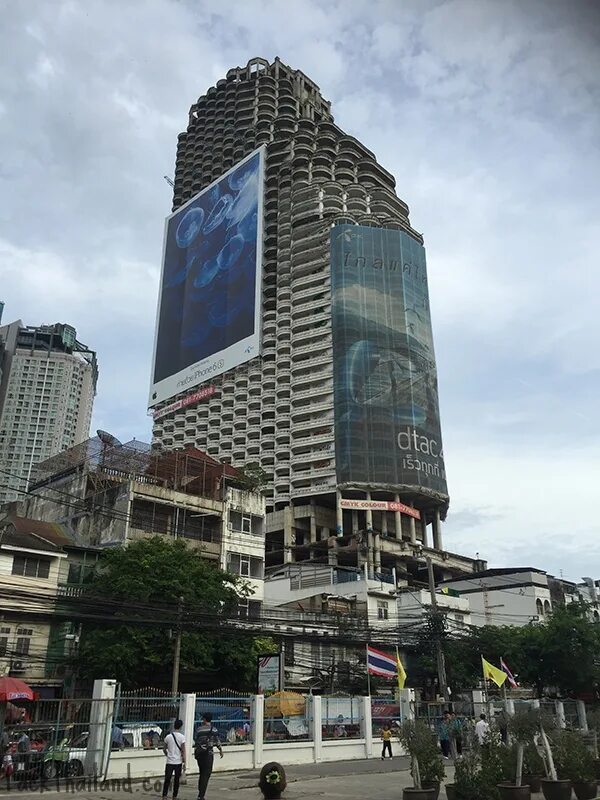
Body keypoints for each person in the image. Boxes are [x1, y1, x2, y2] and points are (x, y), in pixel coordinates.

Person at [194, 713, 223, 800]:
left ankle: (200, 792)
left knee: (201, 773)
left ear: (204, 719)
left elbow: (196, 741)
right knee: (206, 775)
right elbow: (217, 741)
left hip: (199, 754)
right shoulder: (214, 730)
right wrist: (220, 750)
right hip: (208, 754)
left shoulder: (199, 730)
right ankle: (201, 795)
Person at [162, 719, 186, 800]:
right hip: (178, 762)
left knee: (167, 779)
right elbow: (183, 750)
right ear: (181, 727)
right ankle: (174, 796)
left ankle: (164, 795)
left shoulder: (168, 737)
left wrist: (168, 755)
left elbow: (164, 749)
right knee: (176, 780)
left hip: (169, 761)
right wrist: (184, 762)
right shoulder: (182, 737)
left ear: (174, 725)